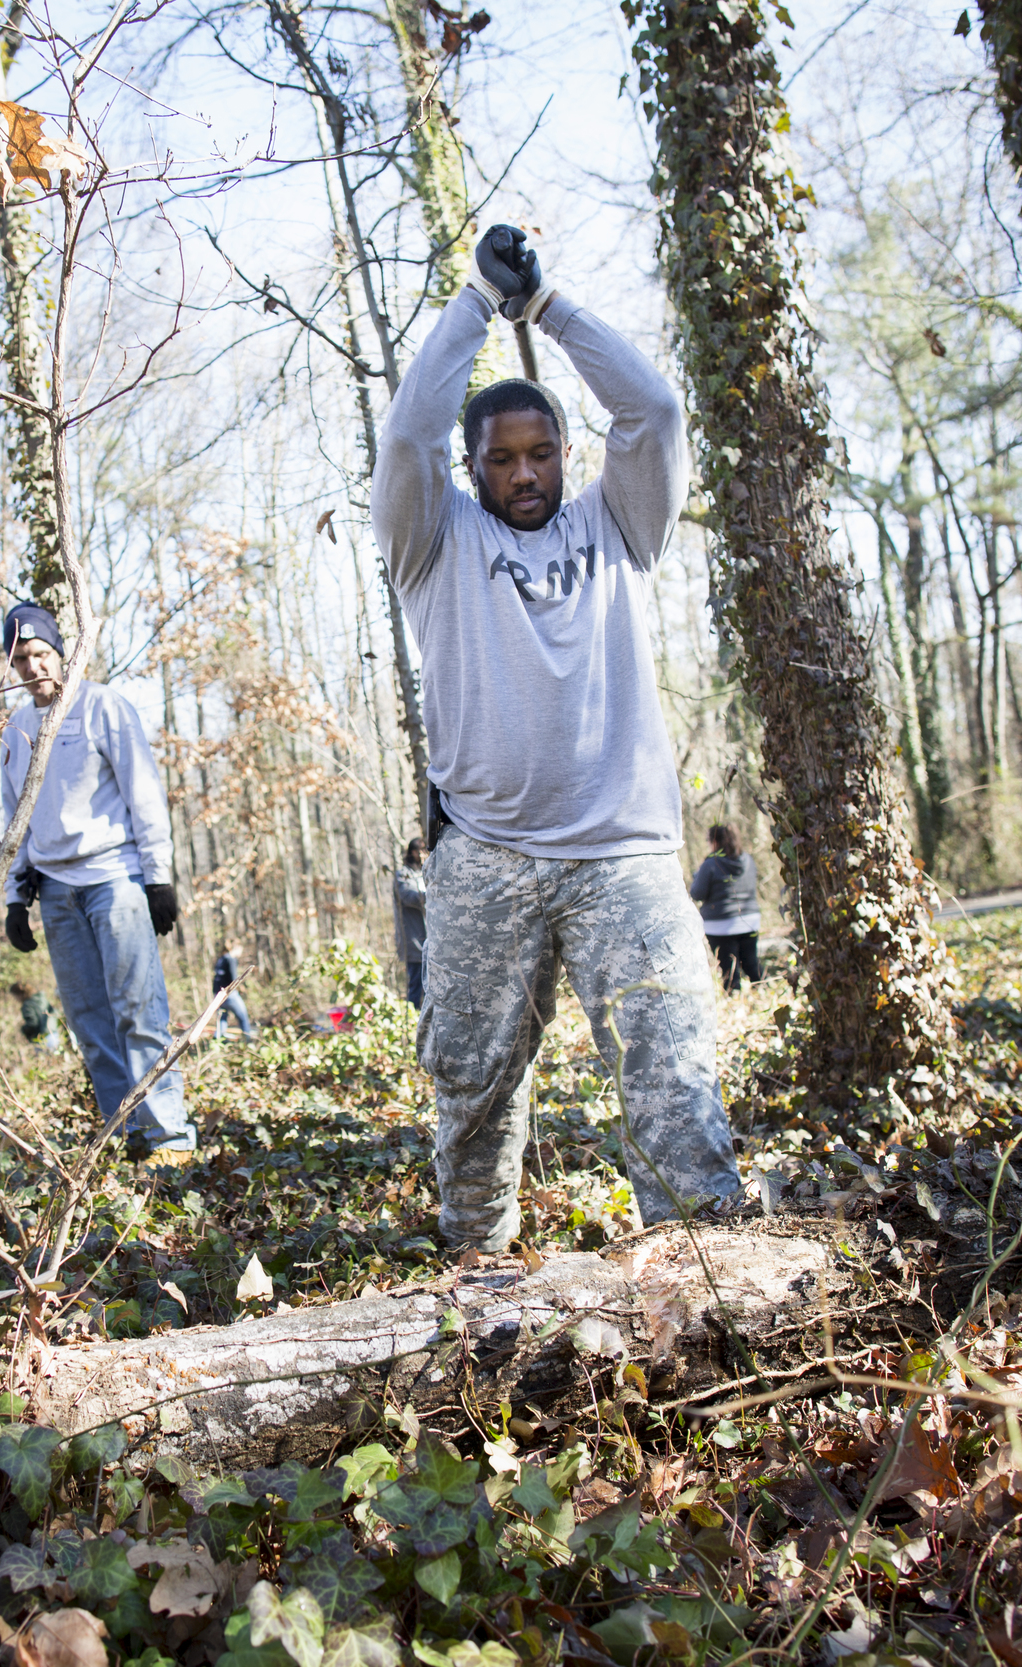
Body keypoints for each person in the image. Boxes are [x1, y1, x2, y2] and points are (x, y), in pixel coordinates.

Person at [373, 223, 748, 1254]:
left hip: (622, 854)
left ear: (568, 457)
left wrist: (544, 307)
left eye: (542, 453)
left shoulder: (617, 524)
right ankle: (476, 1268)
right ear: (473, 467)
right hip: (487, 854)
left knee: (668, 1066)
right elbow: (405, 437)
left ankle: (706, 1268)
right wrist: (472, 305)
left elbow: (656, 408)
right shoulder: (434, 539)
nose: (525, 472)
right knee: (473, 1082)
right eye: (502, 458)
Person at [0, 603, 195, 1163]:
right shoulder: (15, 729)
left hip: (116, 879)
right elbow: (14, 817)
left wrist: (157, 879)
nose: (34, 668)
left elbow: (144, 793)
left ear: (61, 653)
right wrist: (16, 896)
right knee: (88, 1019)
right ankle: (126, 1133)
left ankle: (169, 1136)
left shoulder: (102, 706)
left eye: (41, 654)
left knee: (138, 1008)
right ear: (10, 666)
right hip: (56, 890)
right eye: (21, 659)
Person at [689, 824, 763, 991]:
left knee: (729, 971)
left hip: (720, 925)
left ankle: (734, 999)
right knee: (752, 963)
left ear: (715, 841)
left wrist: (697, 876)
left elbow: (697, 893)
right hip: (750, 920)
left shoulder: (711, 864)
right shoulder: (748, 860)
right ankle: (763, 990)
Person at [394, 838, 429, 1006]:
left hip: (432, 940)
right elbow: (407, 896)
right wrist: (432, 895)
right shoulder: (403, 874)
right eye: (420, 852)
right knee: (416, 984)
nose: (423, 856)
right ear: (413, 852)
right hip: (413, 940)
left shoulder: (427, 872)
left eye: (425, 852)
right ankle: (413, 1021)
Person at [211, 944, 255, 1040]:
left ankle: (217, 1040)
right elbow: (234, 979)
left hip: (218, 995)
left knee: (222, 1018)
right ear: (236, 949)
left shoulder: (221, 959)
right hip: (229, 995)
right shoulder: (231, 959)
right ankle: (248, 1040)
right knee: (243, 1016)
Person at [12, 981, 57, 1051]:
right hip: (54, 1035)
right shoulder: (41, 998)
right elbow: (54, 1012)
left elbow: (32, 1023)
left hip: (43, 1039)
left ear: (19, 994)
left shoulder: (27, 1005)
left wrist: (24, 1029)